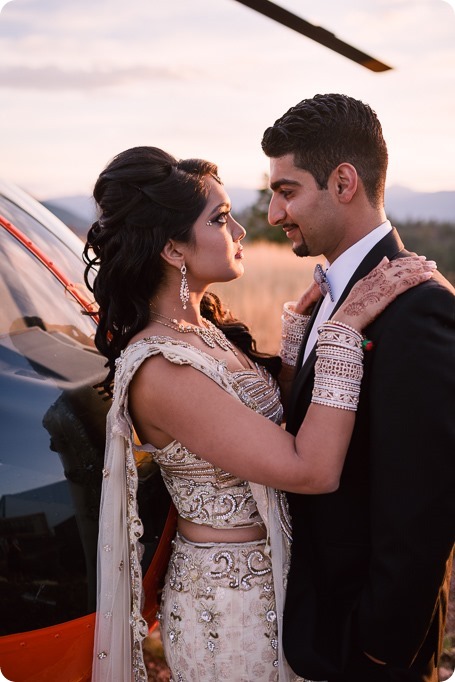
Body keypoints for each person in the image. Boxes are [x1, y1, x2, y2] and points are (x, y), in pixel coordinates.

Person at [83, 146, 433, 682]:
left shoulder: (204, 334)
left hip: (281, 588)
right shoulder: (161, 368)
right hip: (231, 611)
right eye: (221, 220)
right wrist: (344, 329)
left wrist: (298, 340)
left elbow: (265, 430)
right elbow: (310, 469)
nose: (242, 231)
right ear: (174, 247)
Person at [261, 93, 455, 682]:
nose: (272, 214)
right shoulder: (327, 297)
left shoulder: (419, 309)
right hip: (316, 624)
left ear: (344, 182)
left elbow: (422, 509)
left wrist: (378, 651)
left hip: (363, 644)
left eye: (287, 191)